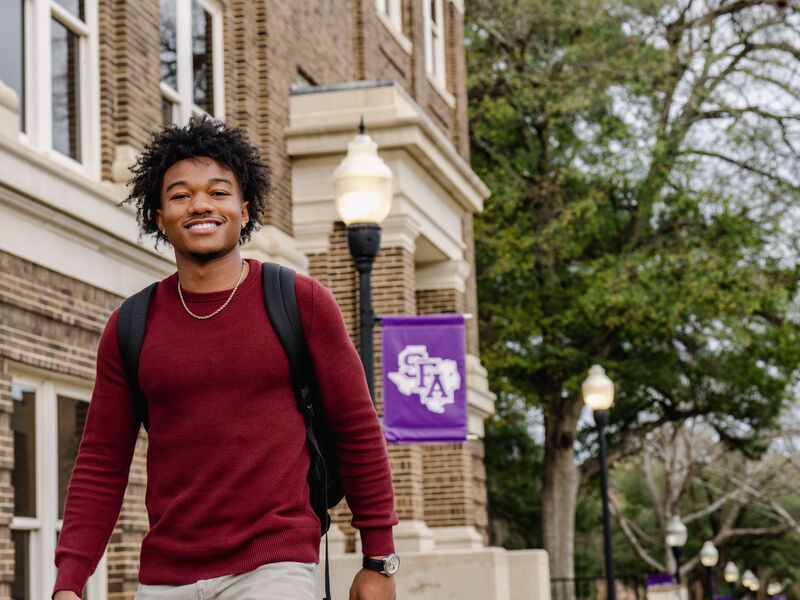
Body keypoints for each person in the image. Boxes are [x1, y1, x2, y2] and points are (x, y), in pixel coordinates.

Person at [52, 118, 398, 600]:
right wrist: (69, 579)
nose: (200, 205)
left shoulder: (300, 301)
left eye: (218, 192)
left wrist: (379, 558)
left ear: (244, 208)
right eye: (180, 195)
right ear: (158, 216)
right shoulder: (130, 326)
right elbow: (101, 462)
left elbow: (357, 427)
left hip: (273, 567)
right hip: (164, 578)